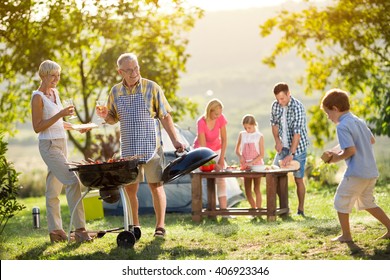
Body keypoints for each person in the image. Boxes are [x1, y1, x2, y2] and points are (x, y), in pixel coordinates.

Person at [96, 53, 185, 238]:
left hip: (151, 146)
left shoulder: (152, 87)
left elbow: (165, 116)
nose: (134, 72)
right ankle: (135, 226)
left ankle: (160, 226)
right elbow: (113, 118)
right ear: (120, 71)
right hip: (129, 147)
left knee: (156, 185)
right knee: (130, 189)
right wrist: (105, 114)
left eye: (136, 68)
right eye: (129, 70)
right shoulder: (115, 91)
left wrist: (176, 140)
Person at [31, 60, 92, 243]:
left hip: (60, 143)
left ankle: (56, 231)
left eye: (58, 75)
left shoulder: (55, 93)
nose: (56, 79)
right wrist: (60, 114)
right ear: (43, 75)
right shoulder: (38, 97)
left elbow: (57, 123)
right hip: (48, 145)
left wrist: (75, 127)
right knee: (73, 181)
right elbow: (38, 127)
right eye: (52, 76)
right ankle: (80, 230)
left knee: (53, 189)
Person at [320, 89, 390, 242]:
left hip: (356, 173)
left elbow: (350, 150)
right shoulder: (358, 121)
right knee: (367, 202)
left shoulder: (341, 126)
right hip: (370, 172)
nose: (328, 117)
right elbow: (371, 140)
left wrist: (333, 159)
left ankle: (346, 236)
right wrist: (335, 150)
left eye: (328, 113)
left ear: (335, 109)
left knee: (340, 200)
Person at [270, 82, 309, 216]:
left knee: (298, 179)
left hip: (298, 148)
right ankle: (284, 209)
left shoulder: (298, 107)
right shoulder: (275, 106)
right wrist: (277, 141)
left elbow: (297, 133)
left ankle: (301, 210)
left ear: (288, 94)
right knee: (273, 175)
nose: (280, 102)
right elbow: (274, 124)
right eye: (277, 99)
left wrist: (292, 154)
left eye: (282, 98)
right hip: (283, 147)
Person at [193, 98, 228, 209]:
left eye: (220, 114)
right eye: (216, 114)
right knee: (201, 177)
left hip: (216, 150)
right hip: (202, 152)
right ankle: (203, 209)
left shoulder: (221, 118)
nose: (218, 116)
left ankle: (224, 210)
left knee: (221, 177)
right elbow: (203, 148)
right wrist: (213, 164)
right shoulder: (201, 122)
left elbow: (224, 139)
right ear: (210, 111)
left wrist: (221, 159)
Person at [235, 114, 265, 209]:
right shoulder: (242, 134)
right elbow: (237, 150)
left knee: (256, 189)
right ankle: (254, 209)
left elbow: (261, 155)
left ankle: (259, 210)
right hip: (245, 166)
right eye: (245, 128)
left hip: (257, 165)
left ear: (254, 125)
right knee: (247, 190)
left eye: (249, 127)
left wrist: (251, 163)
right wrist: (240, 157)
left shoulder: (259, 136)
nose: (247, 130)